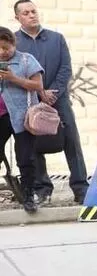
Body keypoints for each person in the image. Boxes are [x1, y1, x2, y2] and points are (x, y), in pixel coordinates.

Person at [13, 0, 88, 204]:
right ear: (17, 17)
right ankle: (43, 189)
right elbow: (13, 71)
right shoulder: (14, 42)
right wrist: (38, 91)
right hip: (29, 100)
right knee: (34, 145)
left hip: (59, 99)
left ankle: (81, 188)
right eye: (26, 12)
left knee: (71, 141)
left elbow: (66, 68)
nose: (31, 15)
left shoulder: (56, 38)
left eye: (34, 11)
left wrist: (52, 92)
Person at [0, 26, 44, 214]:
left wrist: (13, 78)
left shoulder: (26, 60)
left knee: (25, 158)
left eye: (5, 47)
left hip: (23, 116)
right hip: (1, 116)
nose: (2, 52)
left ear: (13, 43)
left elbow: (38, 85)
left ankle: (28, 196)